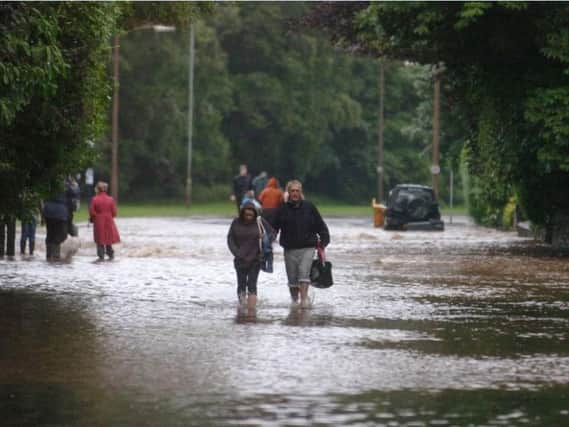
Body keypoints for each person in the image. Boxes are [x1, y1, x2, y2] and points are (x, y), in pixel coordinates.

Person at [271, 180, 330, 307]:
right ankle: (294, 302)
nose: (295, 193)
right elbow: (273, 228)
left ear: (301, 192)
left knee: (304, 274)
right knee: (292, 280)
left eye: (297, 191)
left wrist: (324, 241)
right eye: (292, 191)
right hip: (289, 249)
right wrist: (267, 242)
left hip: (308, 247)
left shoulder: (310, 207)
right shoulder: (282, 209)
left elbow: (321, 225)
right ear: (288, 192)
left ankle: (303, 302)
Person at [227, 200, 274, 309]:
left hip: (256, 259)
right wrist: (236, 252)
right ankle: (242, 307)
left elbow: (273, 233)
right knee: (241, 285)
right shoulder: (236, 222)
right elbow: (230, 239)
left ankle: (252, 311)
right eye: (246, 213)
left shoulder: (260, 221)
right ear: (242, 213)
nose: (249, 216)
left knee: (252, 284)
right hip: (240, 260)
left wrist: (265, 237)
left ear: (255, 213)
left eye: (251, 213)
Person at [89, 181, 120, 261]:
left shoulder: (94, 199)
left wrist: (93, 219)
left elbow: (92, 212)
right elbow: (114, 213)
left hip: (98, 221)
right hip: (109, 220)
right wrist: (109, 216)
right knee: (108, 239)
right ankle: (111, 255)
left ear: (98, 189)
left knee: (100, 240)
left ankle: (101, 256)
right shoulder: (111, 199)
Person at [42, 192, 69, 261]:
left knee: (50, 234)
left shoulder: (49, 185)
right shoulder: (65, 185)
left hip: (49, 211)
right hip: (60, 213)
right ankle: (55, 256)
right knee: (60, 235)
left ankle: (49, 255)